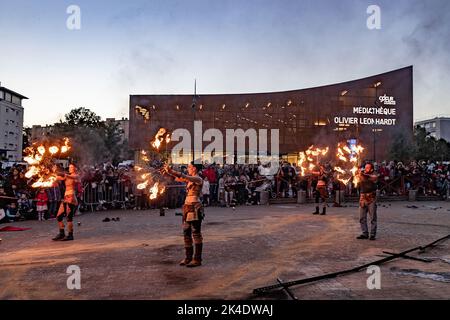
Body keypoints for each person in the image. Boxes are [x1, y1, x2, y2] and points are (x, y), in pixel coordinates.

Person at [164, 162, 204, 267]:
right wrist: (167, 172)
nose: (188, 169)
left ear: (194, 168)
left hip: (194, 207)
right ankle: (188, 257)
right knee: (186, 233)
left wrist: (172, 171)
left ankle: (197, 259)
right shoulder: (190, 179)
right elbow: (178, 178)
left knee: (196, 233)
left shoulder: (198, 179)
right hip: (187, 207)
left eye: (190, 167)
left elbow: (184, 176)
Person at [52, 164, 80, 241]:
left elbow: (70, 176)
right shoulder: (67, 176)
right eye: (69, 167)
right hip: (65, 197)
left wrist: (62, 173)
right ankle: (61, 233)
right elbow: (58, 177)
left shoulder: (76, 176)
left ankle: (70, 235)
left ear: (75, 168)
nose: (70, 168)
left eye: (72, 167)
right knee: (59, 216)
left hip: (71, 198)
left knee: (69, 217)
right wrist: (53, 173)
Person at [356, 162, 379, 240]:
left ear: (371, 169)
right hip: (362, 198)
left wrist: (363, 174)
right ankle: (364, 233)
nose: (366, 169)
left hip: (371, 198)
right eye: (365, 167)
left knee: (373, 217)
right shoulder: (362, 175)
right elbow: (356, 179)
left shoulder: (374, 175)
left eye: (368, 167)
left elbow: (373, 178)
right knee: (361, 217)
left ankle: (372, 234)